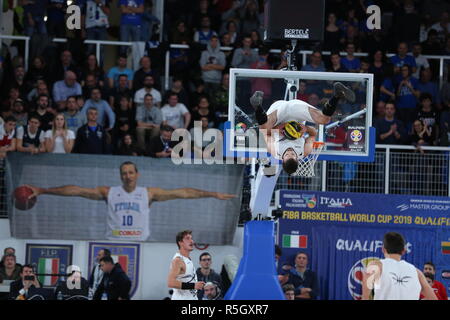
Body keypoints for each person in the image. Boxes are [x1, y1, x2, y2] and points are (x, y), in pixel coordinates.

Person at [25, 162, 235, 242]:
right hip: (112, 242)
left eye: (131, 172)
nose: (127, 176)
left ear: (138, 174)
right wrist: (42, 190)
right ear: (120, 176)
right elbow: (76, 191)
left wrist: (213, 194)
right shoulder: (109, 192)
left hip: (140, 244)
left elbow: (184, 193)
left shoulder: (148, 193)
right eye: (124, 173)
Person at [249, 82, 355, 175]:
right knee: (324, 120)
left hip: (278, 112)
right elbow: (313, 133)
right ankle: (337, 94)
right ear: (297, 159)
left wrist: (278, 128)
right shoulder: (304, 151)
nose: (290, 152)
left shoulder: (275, 151)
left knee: (264, 127)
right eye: (292, 154)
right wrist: (306, 129)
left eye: (287, 154)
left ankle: (257, 106)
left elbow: (265, 134)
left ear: (283, 159)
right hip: (297, 114)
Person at [362, 232, 437, 300]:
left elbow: (366, 294)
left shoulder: (377, 266)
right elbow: (433, 298)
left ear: (383, 249)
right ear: (403, 251)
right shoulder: (417, 273)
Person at [167, 230, 205, 300]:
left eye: (191, 238)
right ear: (180, 243)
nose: (191, 241)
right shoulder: (178, 260)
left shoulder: (187, 258)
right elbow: (171, 282)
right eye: (188, 238)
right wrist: (193, 285)